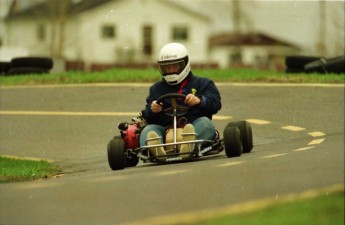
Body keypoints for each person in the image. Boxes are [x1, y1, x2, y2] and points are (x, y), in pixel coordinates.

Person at [140, 42, 221, 158]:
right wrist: (153, 110)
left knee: (205, 123)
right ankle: (157, 150)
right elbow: (148, 116)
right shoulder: (156, 89)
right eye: (167, 67)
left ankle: (190, 144)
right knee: (148, 130)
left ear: (185, 64)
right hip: (165, 129)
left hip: (193, 124)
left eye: (175, 66)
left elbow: (215, 103)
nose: (171, 70)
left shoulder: (202, 83)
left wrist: (200, 101)